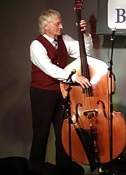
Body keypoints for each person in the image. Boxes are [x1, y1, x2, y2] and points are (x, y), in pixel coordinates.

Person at [29, 9, 92, 166]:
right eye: (58, 24)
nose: (61, 26)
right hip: (42, 94)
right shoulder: (36, 45)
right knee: (41, 134)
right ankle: (35, 172)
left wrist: (85, 35)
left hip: (62, 93)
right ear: (46, 26)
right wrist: (74, 77)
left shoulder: (65, 40)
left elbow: (85, 54)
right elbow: (49, 69)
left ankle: (62, 174)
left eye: (61, 23)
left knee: (64, 135)